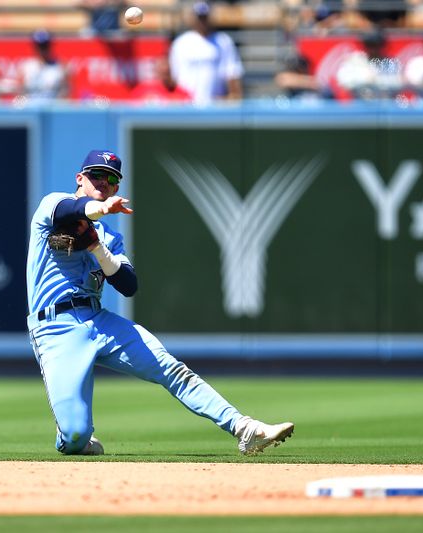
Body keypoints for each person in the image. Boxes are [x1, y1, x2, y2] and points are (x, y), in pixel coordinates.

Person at [25, 149, 295, 456]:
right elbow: (72, 209)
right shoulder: (53, 204)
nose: (103, 182)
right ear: (80, 178)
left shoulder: (110, 238)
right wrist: (98, 210)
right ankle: (72, 437)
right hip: (56, 328)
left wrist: (98, 248)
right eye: (95, 175)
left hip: (99, 321)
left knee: (171, 368)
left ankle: (245, 428)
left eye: (111, 179)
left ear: (116, 187)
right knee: (75, 436)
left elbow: (128, 284)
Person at [169, 1, 244, 105]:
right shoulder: (181, 43)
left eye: (204, 17)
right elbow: (175, 77)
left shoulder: (223, 41)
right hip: (186, 105)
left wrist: (233, 99)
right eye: (200, 18)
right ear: (193, 18)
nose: (202, 22)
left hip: (214, 105)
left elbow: (232, 73)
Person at [335, 28, 402, 100]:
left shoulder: (390, 63)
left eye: (377, 45)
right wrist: (365, 79)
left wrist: (377, 81)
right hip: (361, 104)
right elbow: (342, 81)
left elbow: (400, 83)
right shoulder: (355, 61)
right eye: (370, 45)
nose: (373, 49)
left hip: (385, 105)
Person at [20, 29, 67, 102]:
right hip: (30, 109)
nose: (42, 50)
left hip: (52, 109)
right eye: (39, 46)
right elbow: (21, 93)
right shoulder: (26, 67)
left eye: (45, 46)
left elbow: (66, 94)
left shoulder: (60, 67)